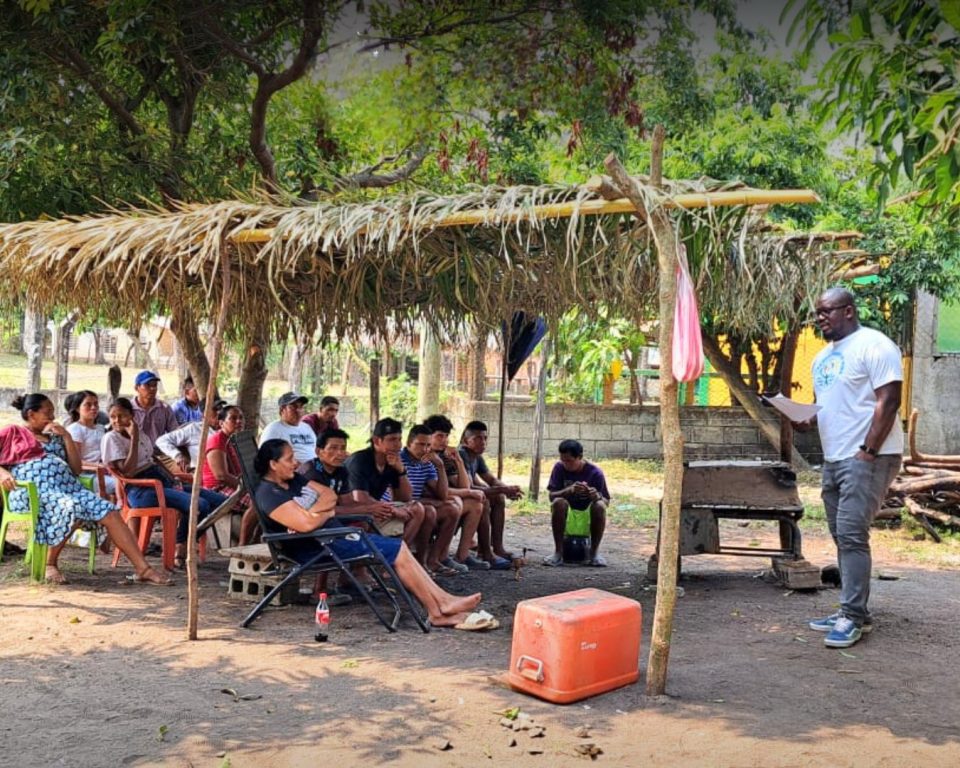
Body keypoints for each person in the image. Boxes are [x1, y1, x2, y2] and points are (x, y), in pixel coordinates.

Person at [255, 439, 488, 628]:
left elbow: (329, 495)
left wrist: (316, 513)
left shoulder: (293, 480)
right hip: (316, 547)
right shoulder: (269, 494)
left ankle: (441, 603)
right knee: (398, 550)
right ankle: (437, 609)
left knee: (399, 548)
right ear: (273, 464)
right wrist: (325, 513)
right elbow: (306, 526)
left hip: (332, 536)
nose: (296, 463)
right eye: (289, 459)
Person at [797, 288, 903, 649]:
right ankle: (854, 609)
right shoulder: (821, 358)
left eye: (827, 311)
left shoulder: (875, 345)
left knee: (852, 533)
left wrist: (868, 452)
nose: (820, 318)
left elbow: (889, 400)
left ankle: (853, 617)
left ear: (849, 311)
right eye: (817, 312)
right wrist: (803, 419)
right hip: (834, 457)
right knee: (841, 534)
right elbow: (825, 406)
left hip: (868, 456)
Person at [0, 393, 171, 585]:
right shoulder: (13, 432)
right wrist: (3, 474)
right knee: (72, 506)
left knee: (109, 511)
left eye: (53, 412)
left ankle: (143, 569)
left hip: (68, 489)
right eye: (48, 412)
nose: (52, 417)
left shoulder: (55, 436)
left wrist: (66, 437)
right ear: (31, 414)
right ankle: (49, 563)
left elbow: (76, 469)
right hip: (32, 491)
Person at [102, 398, 227, 569]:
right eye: (112, 417)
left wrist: (171, 477)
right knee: (199, 504)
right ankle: (180, 546)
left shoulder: (139, 432)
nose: (117, 421)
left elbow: (152, 458)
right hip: (141, 489)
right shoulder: (111, 438)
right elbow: (128, 471)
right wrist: (134, 438)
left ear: (131, 415)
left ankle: (183, 539)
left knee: (220, 502)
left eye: (122, 416)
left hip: (159, 480)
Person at [344, 418, 430, 565]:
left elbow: (405, 497)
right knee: (364, 520)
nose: (398, 445)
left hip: (376, 510)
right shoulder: (360, 460)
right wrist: (393, 510)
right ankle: (362, 569)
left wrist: (401, 471)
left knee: (418, 509)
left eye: (399, 439)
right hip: (354, 512)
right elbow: (360, 499)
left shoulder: (392, 461)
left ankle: (394, 561)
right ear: (377, 441)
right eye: (392, 440)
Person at [394, 425, 466, 577]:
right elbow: (400, 497)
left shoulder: (427, 462)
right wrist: (427, 502)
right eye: (420, 444)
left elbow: (442, 495)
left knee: (452, 509)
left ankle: (433, 559)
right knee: (430, 511)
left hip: (418, 504)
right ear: (409, 443)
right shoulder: (398, 460)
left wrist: (440, 466)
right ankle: (420, 561)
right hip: (401, 506)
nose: (425, 449)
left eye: (428, 445)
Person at [422, 414, 489, 571]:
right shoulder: (425, 456)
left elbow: (464, 485)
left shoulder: (444, 457)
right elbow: (438, 491)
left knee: (475, 504)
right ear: (428, 437)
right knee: (458, 502)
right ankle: (440, 556)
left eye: (446, 436)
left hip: (441, 500)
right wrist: (469, 493)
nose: (444, 440)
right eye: (440, 436)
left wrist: (458, 460)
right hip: (427, 501)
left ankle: (462, 555)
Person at [459, 420, 521, 566]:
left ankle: (498, 548)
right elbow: (470, 488)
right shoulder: (461, 454)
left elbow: (491, 479)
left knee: (498, 497)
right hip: (457, 497)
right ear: (465, 441)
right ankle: (486, 552)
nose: (483, 442)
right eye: (477, 438)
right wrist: (504, 489)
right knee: (484, 501)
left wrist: (507, 489)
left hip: (467, 496)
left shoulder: (476, 457)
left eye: (485, 438)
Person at [544, 439, 610, 567]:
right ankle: (558, 552)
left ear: (580, 457)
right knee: (558, 502)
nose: (565, 464)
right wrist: (569, 490)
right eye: (563, 460)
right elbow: (551, 496)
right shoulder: (559, 468)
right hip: (567, 511)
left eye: (569, 461)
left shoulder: (595, 473)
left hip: (587, 512)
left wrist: (596, 496)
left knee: (599, 506)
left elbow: (606, 502)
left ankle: (594, 553)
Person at [203, 404, 258, 546]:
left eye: (241, 418)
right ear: (221, 423)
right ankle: (243, 545)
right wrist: (247, 489)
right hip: (218, 488)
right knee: (258, 500)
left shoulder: (236, 439)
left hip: (235, 484)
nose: (239, 421)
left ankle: (258, 540)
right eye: (233, 418)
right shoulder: (217, 440)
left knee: (269, 496)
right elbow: (221, 475)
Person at [64, 390, 116, 496]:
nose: (93, 408)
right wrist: (99, 466)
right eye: (88, 404)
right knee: (120, 484)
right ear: (77, 408)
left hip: (107, 471)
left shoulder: (100, 428)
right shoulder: (75, 429)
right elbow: (75, 461)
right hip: (87, 475)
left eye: (96, 404)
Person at [155, 399, 224, 471]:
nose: (219, 412)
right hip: (202, 471)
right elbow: (161, 441)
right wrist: (177, 455)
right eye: (215, 410)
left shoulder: (226, 428)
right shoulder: (194, 429)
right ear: (204, 415)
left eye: (220, 408)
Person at [259, 392, 316, 463]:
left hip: (316, 466)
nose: (298, 410)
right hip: (293, 468)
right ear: (282, 410)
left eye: (301, 407)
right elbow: (265, 457)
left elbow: (315, 450)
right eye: (293, 407)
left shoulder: (306, 427)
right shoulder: (273, 429)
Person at [131, 370, 179, 444]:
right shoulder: (129, 409)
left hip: (159, 449)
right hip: (136, 449)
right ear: (137, 388)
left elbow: (175, 433)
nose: (152, 388)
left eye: (155, 385)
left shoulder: (164, 408)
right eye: (147, 385)